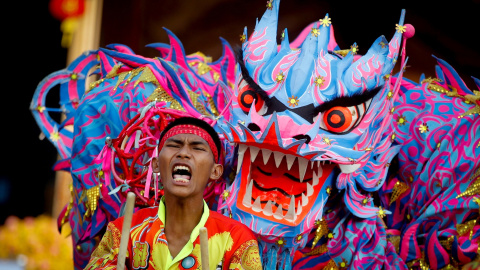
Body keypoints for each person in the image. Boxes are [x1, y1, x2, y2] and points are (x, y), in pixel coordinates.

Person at [84, 117, 262, 269]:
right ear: (155, 165)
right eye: (174, 145)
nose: (183, 153)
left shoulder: (237, 239)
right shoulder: (123, 232)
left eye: (197, 148)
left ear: (215, 172)